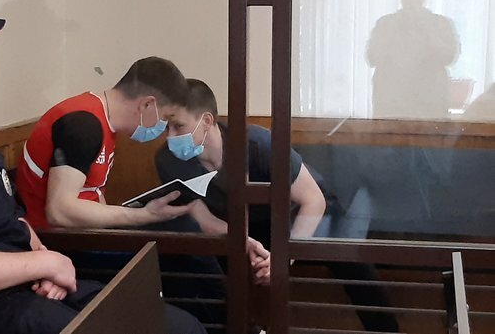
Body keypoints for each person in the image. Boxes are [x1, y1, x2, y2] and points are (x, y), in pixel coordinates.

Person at [0, 0, 205, 334]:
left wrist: (44, 262)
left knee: (179, 326)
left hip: (23, 285)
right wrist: (43, 264)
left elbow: (11, 215)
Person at [155, 79, 400, 332]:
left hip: (301, 215)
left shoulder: (258, 144)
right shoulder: (168, 160)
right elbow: (203, 218)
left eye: (178, 126)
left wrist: (283, 259)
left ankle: (386, 330)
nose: (170, 136)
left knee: (351, 258)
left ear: (206, 121)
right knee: (194, 259)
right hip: (241, 224)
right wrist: (244, 241)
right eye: (166, 128)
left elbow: (313, 201)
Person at [16, 56, 196, 230]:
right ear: (147, 104)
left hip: (83, 233)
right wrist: (142, 215)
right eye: (165, 117)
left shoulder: (105, 123)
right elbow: (59, 212)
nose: (162, 127)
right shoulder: (84, 125)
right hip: (51, 238)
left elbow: (92, 193)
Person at [366, 0, 460, 119]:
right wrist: (391, 32)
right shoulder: (385, 24)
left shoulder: (441, 24)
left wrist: (429, 32)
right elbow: (372, 58)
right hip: (391, 108)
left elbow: (449, 57)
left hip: (430, 108)